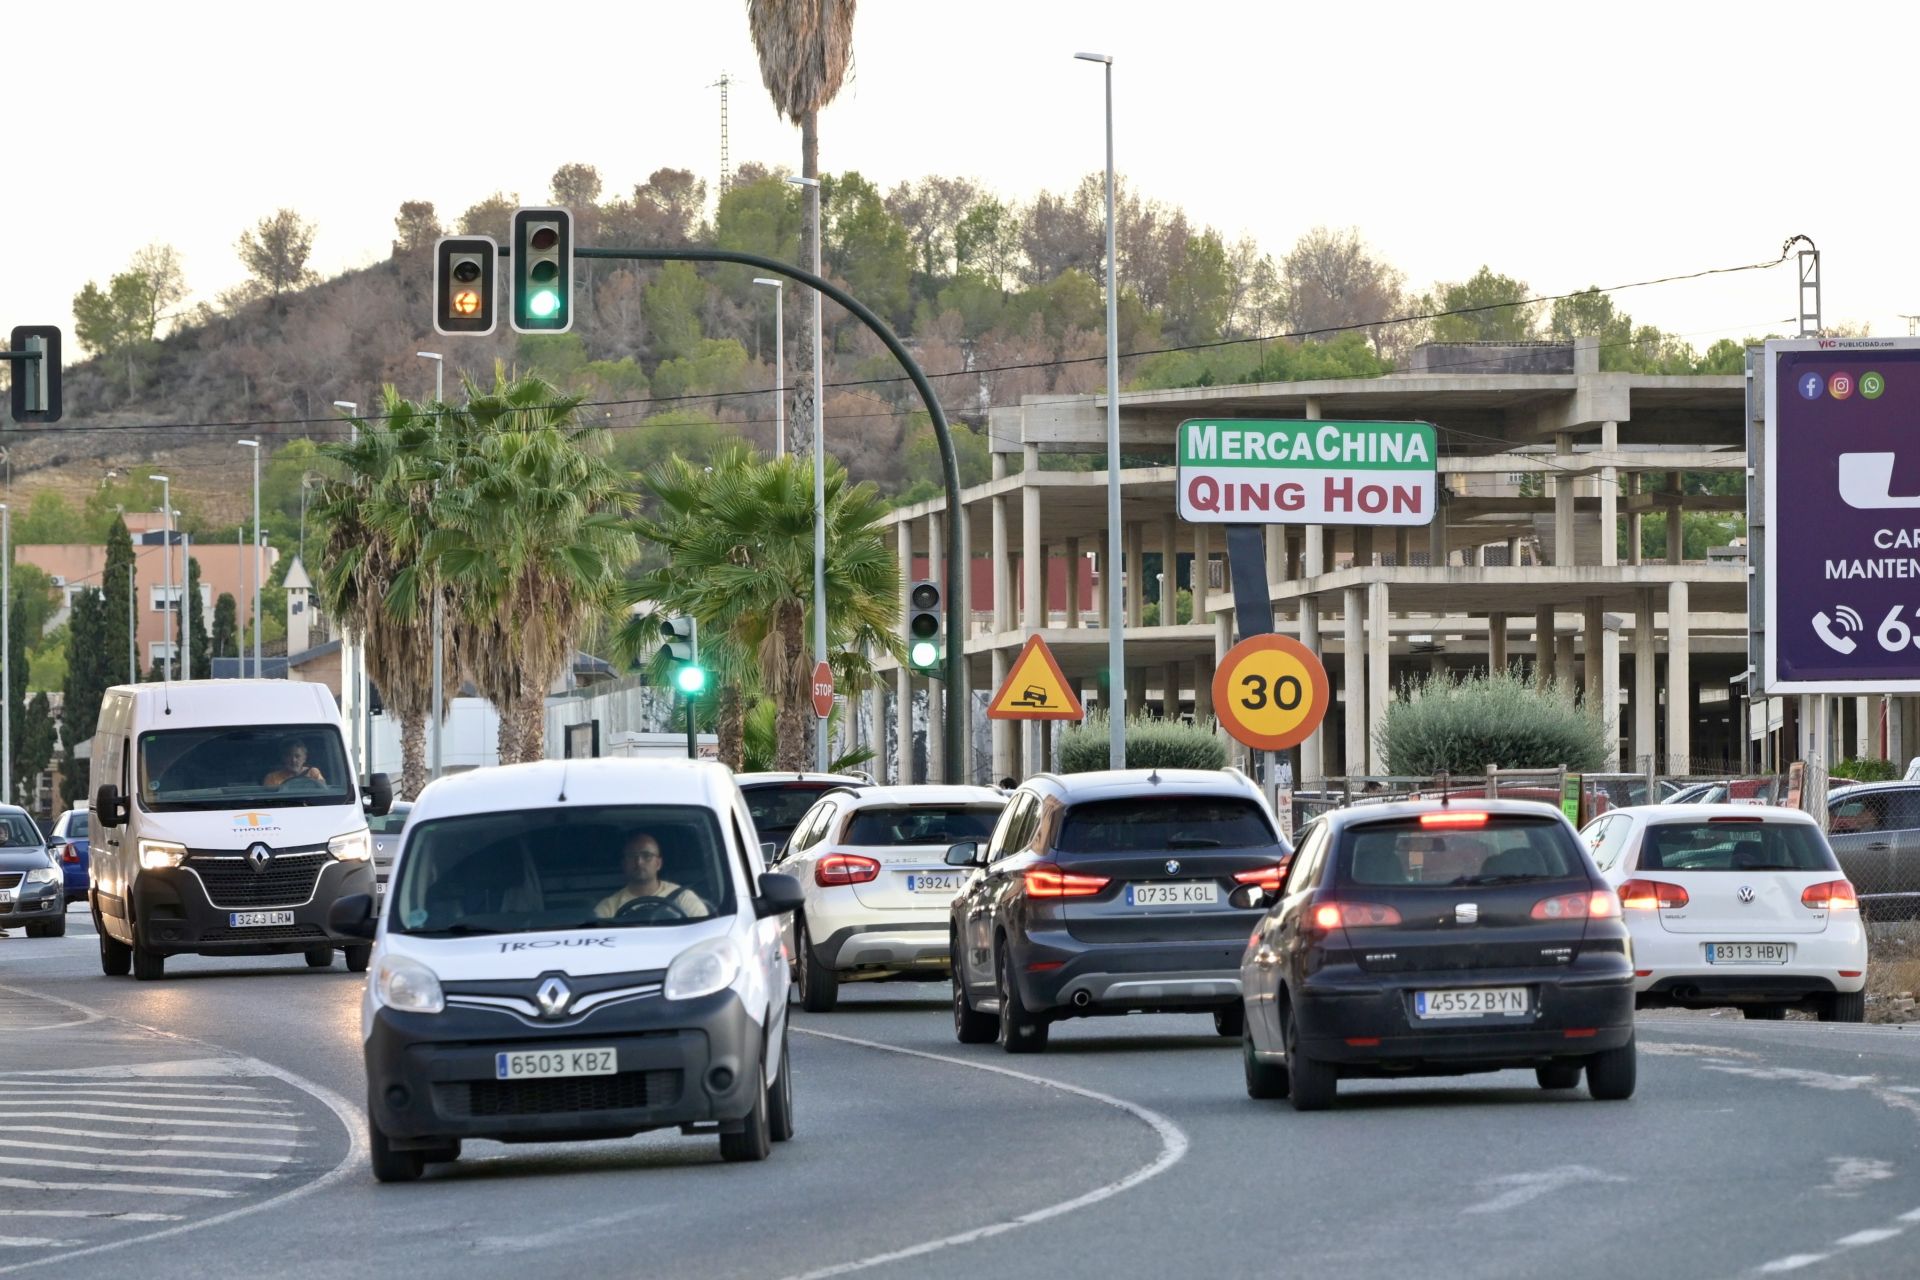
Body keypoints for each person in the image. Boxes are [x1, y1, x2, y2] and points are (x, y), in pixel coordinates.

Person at [594, 831, 710, 920]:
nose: (639, 862)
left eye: (647, 855)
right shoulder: (609, 907)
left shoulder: (683, 898)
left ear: (658, 863)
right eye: (631, 856)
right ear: (624, 864)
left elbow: (704, 931)